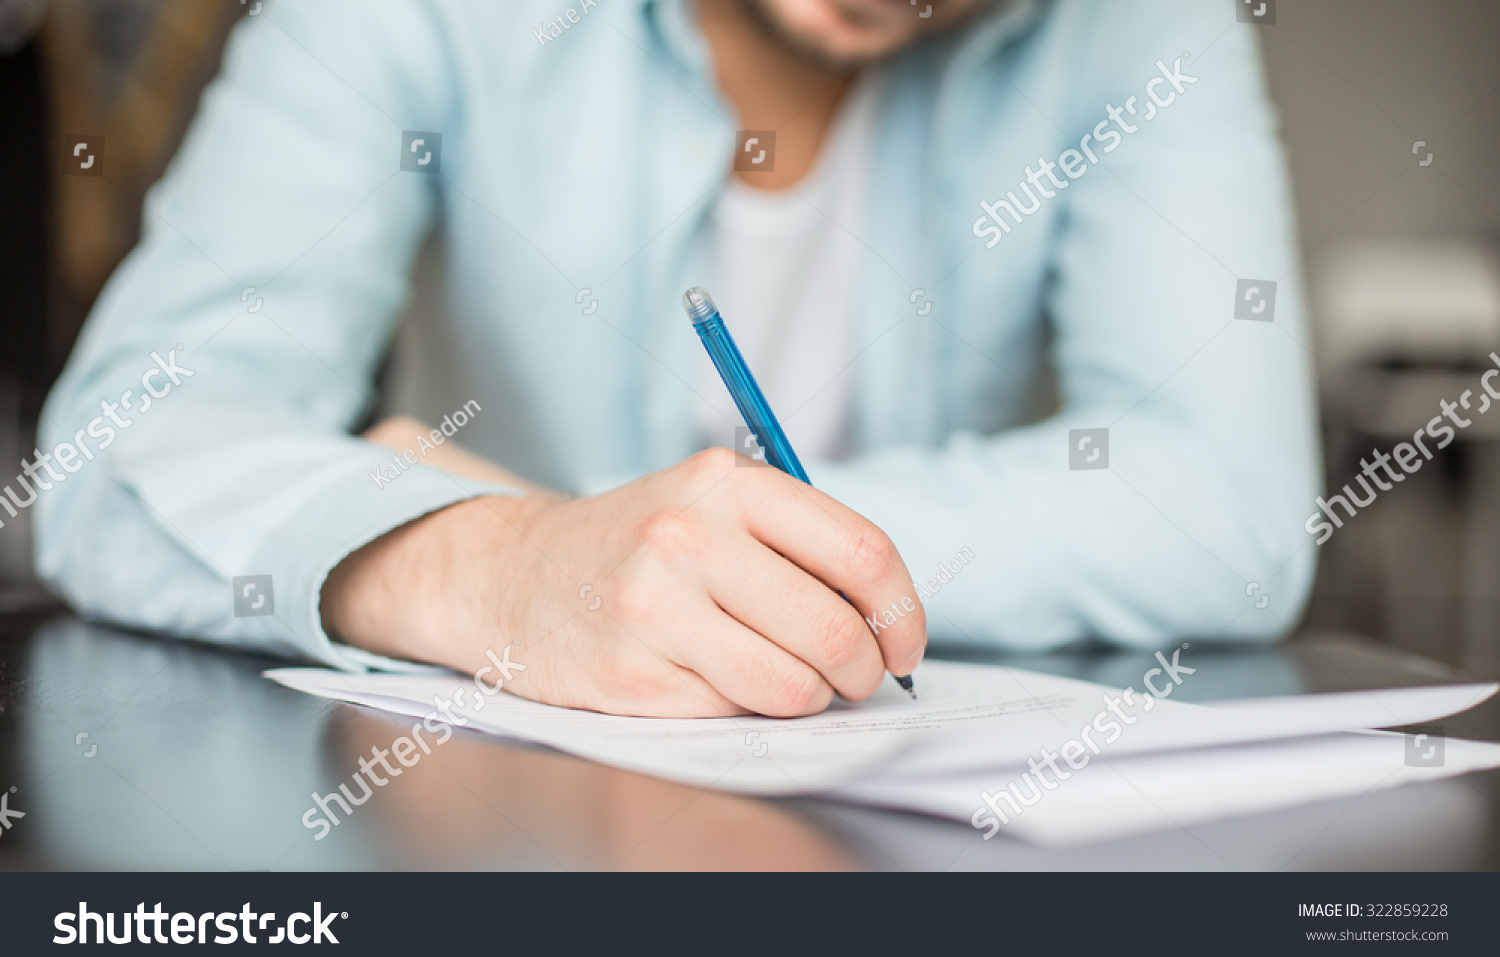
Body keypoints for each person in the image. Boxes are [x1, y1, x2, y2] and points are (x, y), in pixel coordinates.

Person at [34, 0, 1319, 717]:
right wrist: (493, 567)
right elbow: (116, 453)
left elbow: (1227, 506)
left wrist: (672, 557)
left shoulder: (1144, 29)